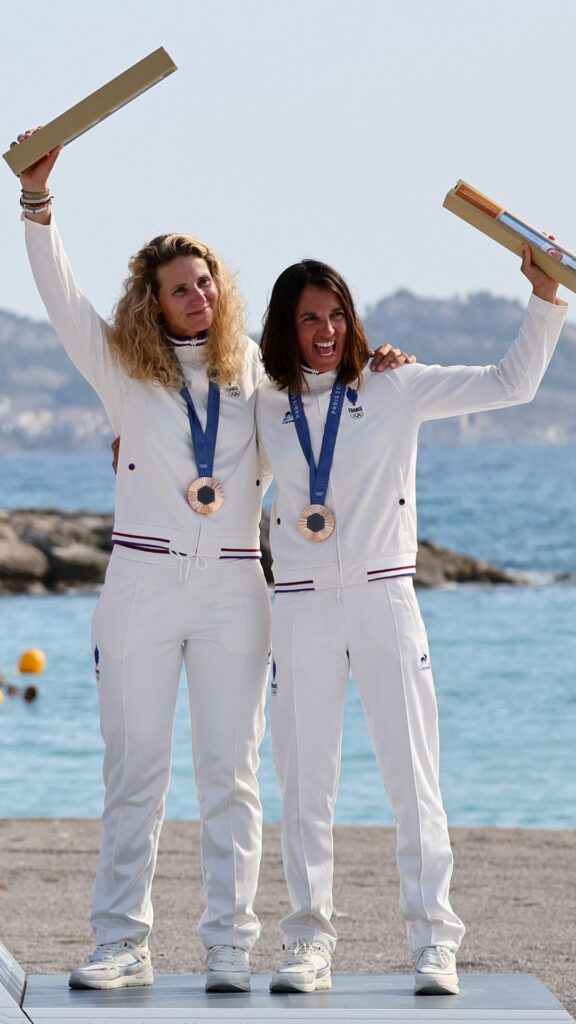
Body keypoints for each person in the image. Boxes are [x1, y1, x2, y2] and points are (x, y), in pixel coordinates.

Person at [11, 131, 411, 993]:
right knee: (136, 771)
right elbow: (62, 297)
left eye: (206, 282)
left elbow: (328, 397)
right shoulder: (122, 372)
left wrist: (381, 365)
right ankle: (123, 941)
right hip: (141, 585)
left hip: (237, 588)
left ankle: (230, 946)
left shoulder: (255, 383)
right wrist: (38, 206)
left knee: (231, 778)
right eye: (179, 288)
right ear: (151, 304)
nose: (197, 295)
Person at [255, 253, 567, 996]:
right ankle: (308, 941)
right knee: (303, 782)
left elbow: (511, 383)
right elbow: (214, 469)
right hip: (298, 602)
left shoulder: (394, 387)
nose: (325, 330)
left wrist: (545, 297)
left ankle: (435, 942)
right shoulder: (264, 404)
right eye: (309, 318)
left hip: (386, 597)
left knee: (413, 777)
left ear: (352, 319)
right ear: (286, 327)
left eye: (335, 315)